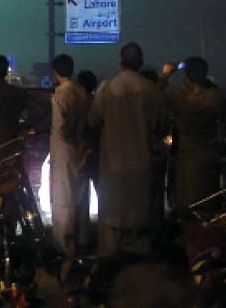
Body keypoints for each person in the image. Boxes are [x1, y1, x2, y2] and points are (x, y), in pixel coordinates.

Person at [87, 42, 165, 255]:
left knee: (111, 227)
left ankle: (112, 278)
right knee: (141, 228)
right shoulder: (153, 91)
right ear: (141, 63)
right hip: (143, 167)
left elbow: (93, 121)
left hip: (113, 168)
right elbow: (161, 127)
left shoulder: (108, 88)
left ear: (120, 62)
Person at [160, 57, 223, 213]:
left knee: (186, 211)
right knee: (208, 209)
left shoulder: (178, 99)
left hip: (186, 161)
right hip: (210, 159)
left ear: (186, 78)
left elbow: (154, 95)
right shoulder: (216, 97)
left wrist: (166, 75)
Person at [49, 54, 92, 256]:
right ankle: (83, 239)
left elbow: (61, 129)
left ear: (56, 72)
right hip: (82, 149)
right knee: (81, 195)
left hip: (64, 152)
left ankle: (65, 244)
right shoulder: (82, 92)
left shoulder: (59, 95)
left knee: (63, 198)